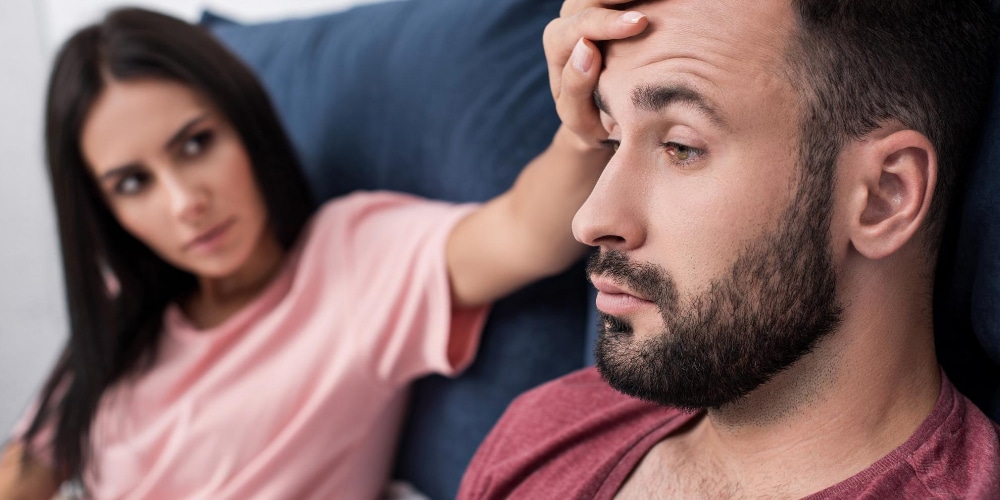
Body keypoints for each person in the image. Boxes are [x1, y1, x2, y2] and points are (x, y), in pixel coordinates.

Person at [0, 6, 643, 499]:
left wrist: (581, 117)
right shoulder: (124, 308)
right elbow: (32, 461)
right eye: (133, 183)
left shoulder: (352, 257)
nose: (183, 202)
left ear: (244, 126)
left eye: (195, 144)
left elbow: (525, 232)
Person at [459, 0, 1000, 498]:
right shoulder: (543, 432)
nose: (590, 221)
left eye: (681, 147)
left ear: (885, 197)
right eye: (613, 137)